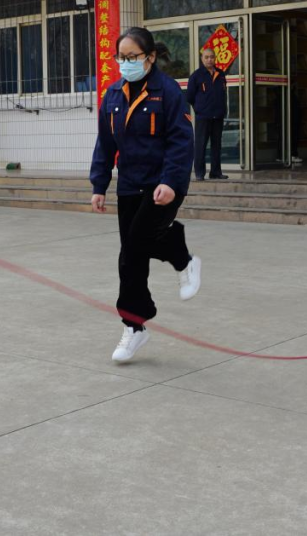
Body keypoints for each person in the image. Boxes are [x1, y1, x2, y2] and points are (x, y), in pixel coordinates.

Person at [90, 27, 200, 363]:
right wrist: (99, 185)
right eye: (120, 57)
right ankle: (134, 327)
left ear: (150, 57)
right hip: (129, 184)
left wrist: (170, 181)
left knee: (136, 244)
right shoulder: (112, 95)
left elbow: (181, 141)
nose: (125, 63)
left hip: (162, 185)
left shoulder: (168, 92)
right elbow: (105, 144)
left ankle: (181, 258)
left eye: (132, 57)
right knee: (130, 258)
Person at [186, 47, 229, 180]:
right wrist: (199, 109)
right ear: (202, 59)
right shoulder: (196, 76)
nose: (209, 59)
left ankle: (216, 172)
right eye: (206, 57)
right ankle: (199, 173)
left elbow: (223, 94)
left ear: (215, 58)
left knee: (217, 145)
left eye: (211, 57)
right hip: (203, 117)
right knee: (200, 145)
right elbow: (189, 97)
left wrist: (223, 110)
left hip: (218, 116)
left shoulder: (221, 74)